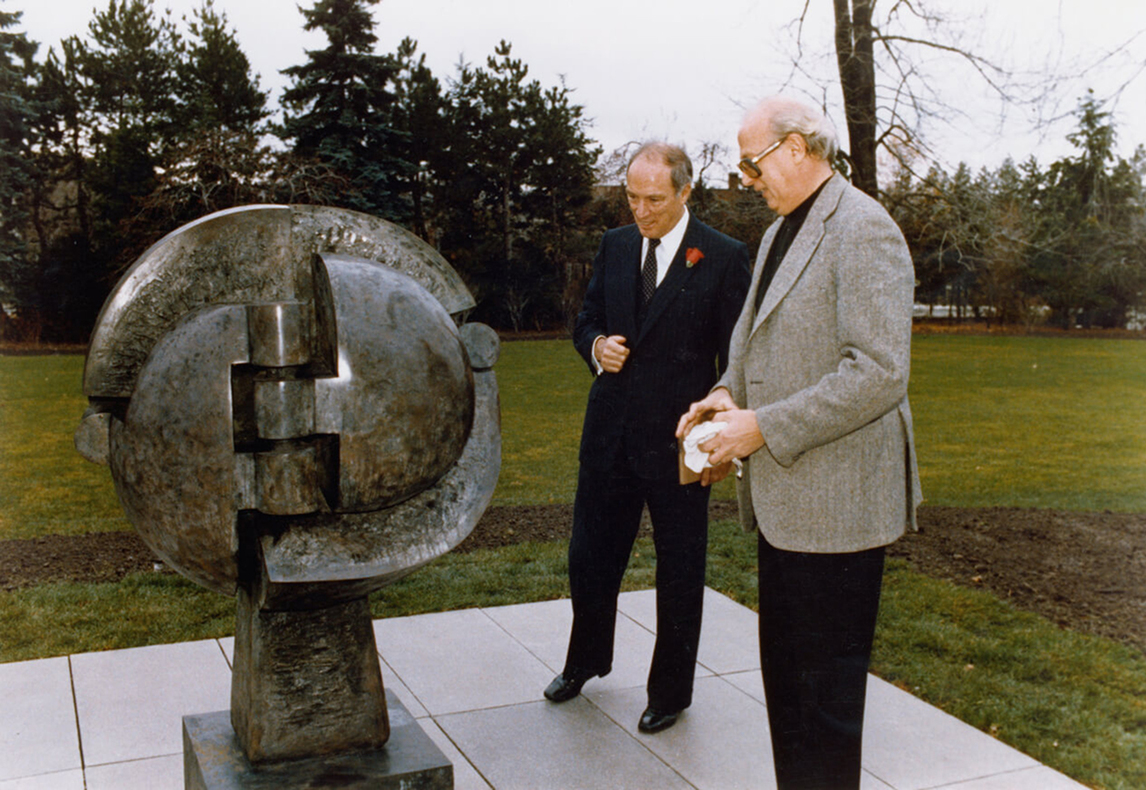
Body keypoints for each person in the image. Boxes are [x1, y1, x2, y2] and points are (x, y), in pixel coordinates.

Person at [676, 97, 922, 788]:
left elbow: (878, 373)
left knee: (827, 710)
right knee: (789, 698)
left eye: (752, 163)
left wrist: (762, 427)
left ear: (796, 148)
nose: (747, 179)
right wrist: (727, 392)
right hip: (791, 512)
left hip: (841, 513)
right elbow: (757, 341)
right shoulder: (786, 228)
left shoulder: (865, 229)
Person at [544, 142, 750, 734]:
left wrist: (713, 440)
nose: (641, 210)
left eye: (654, 199)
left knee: (680, 569)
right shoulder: (613, 246)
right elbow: (585, 320)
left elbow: (734, 361)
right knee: (589, 558)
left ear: (686, 192)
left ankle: (670, 693)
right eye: (631, 197)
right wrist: (595, 346)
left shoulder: (723, 255)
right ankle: (584, 661)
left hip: (678, 442)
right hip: (608, 438)